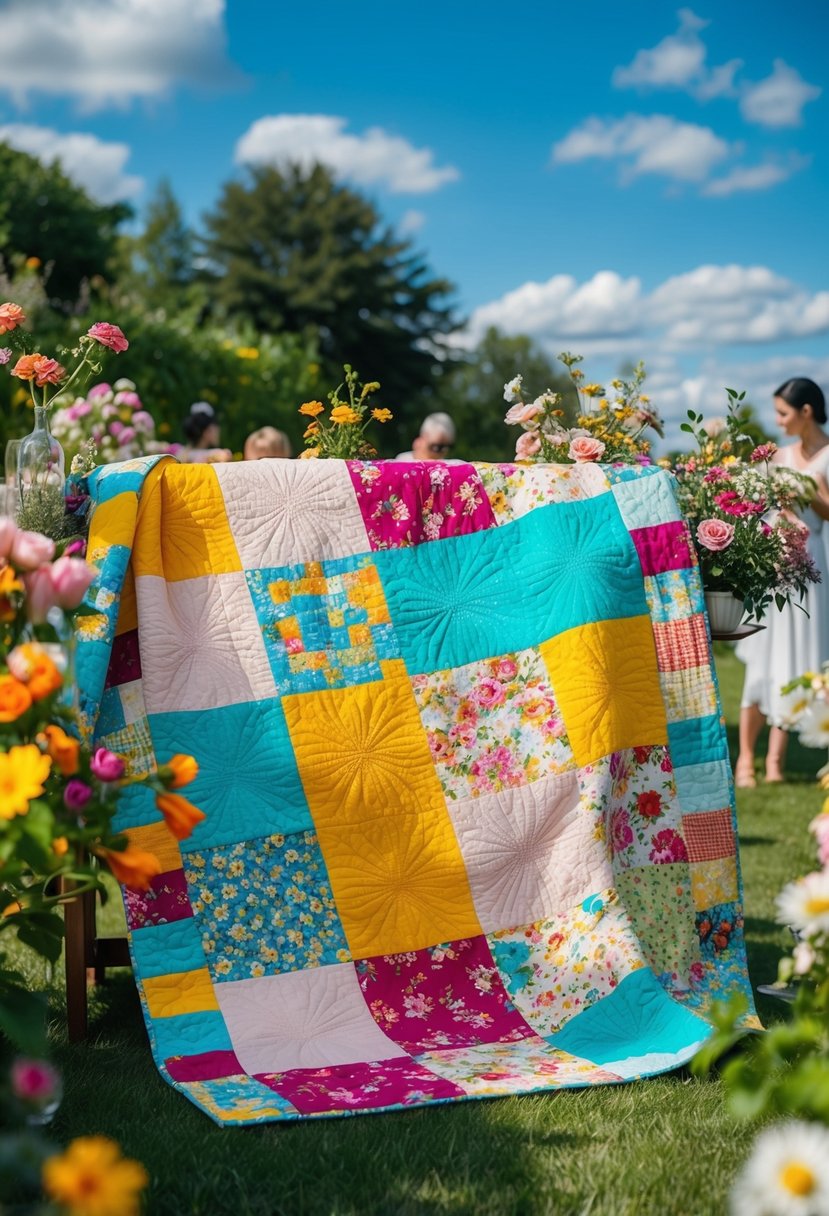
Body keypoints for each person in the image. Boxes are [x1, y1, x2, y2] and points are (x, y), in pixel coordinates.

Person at [734, 377, 829, 786]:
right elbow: (751, 504)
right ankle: (745, 759)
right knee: (763, 658)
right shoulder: (778, 456)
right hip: (774, 567)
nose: (778, 421)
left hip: (811, 566)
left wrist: (812, 492)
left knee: (797, 659)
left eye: (783, 413)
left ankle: (775, 761)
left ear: (806, 412)